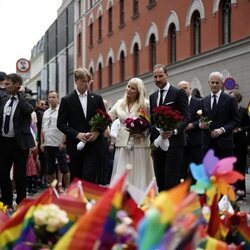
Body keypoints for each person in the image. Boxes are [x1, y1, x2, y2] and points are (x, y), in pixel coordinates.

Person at [57, 67, 106, 184]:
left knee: (89, 176)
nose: (86, 84)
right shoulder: (67, 100)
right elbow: (61, 123)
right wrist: (77, 134)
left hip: (94, 145)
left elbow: (105, 119)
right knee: (77, 177)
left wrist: (97, 132)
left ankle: (90, 201)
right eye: (83, 81)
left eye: (88, 81)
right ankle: (79, 201)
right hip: (75, 146)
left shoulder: (97, 98)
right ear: (76, 81)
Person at [108, 77, 154, 190]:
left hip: (140, 144)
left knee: (138, 172)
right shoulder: (119, 103)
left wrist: (144, 134)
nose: (129, 89)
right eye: (128, 86)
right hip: (122, 144)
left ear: (138, 91)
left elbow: (152, 123)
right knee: (122, 172)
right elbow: (107, 117)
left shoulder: (145, 104)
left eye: (133, 88)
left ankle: (140, 196)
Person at [149, 64, 190, 191]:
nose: (158, 79)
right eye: (155, 77)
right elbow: (153, 119)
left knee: (171, 178)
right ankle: (161, 207)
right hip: (158, 142)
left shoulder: (178, 93)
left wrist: (174, 130)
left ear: (167, 75)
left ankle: (173, 208)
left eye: (161, 76)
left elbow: (186, 116)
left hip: (175, 143)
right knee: (160, 177)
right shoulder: (153, 96)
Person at [0, 73, 35, 208]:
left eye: (8, 84)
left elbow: (28, 110)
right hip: (4, 143)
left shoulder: (27, 99)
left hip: (19, 144)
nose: (4, 86)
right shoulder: (4, 100)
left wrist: (19, 96)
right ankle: (7, 203)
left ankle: (21, 203)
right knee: (2, 174)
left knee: (20, 176)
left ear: (16, 85)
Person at [199, 72, 240, 159]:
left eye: (217, 83)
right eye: (212, 82)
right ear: (208, 83)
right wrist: (201, 124)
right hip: (207, 145)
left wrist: (222, 129)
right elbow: (200, 118)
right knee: (209, 172)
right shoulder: (203, 101)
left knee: (224, 172)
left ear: (221, 83)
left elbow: (236, 120)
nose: (214, 85)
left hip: (225, 145)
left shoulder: (230, 99)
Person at [41, 91, 70, 192]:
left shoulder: (62, 111)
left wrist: (64, 143)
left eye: (53, 97)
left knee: (64, 168)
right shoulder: (45, 112)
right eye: (49, 97)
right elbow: (42, 128)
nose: (51, 99)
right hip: (48, 144)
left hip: (59, 144)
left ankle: (67, 189)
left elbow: (67, 128)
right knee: (50, 169)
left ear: (58, 98)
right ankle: (55, 189)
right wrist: (42, 143)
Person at [177, 81, 202, 181]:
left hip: (195, 140)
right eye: (181, 89)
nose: (183, 90)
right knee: (181, 167)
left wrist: (192, 125)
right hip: (181, 140)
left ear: (190, 89)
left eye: (185, 88)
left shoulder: (199, 102)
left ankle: (197, 191)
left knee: (196, 166)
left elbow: (203, 118)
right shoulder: (177, 103)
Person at [229, 90, 250, 199]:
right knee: (231, 168)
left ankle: (241, 192)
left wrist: (240, 129)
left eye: (233, 97)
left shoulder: (243, 110)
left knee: (240, 167)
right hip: (229, 141)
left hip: (241, 142)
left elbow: (248, 125)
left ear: (237, 98)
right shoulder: (227, 110)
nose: (231, 99)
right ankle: (233, 190)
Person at [35, 99, 47, 188]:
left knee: (44, 161)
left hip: (44, 139)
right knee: (39, 160)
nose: (44, 105)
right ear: (37, 104)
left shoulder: (44, 113)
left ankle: (42, 179)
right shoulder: (38, 113)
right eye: (42, 104)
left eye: (44, 104)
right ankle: (39, 179)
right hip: (39, 140)